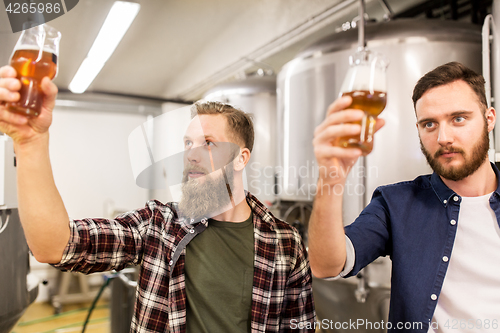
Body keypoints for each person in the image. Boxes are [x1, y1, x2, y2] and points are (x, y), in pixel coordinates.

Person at [0, 65, 315, 333]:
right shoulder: (159, 226)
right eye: (187, 143)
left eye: (207, 143)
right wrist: (31, 144)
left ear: (240, 158)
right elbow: (56, 245)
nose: (191, 154)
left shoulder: (285, 244)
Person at [308, 62, 500, 332]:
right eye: (429, 124)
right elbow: (326, 265)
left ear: (489, 119)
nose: (443, 137)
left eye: (458, 118)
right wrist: (331, 179)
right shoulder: (395, 203)